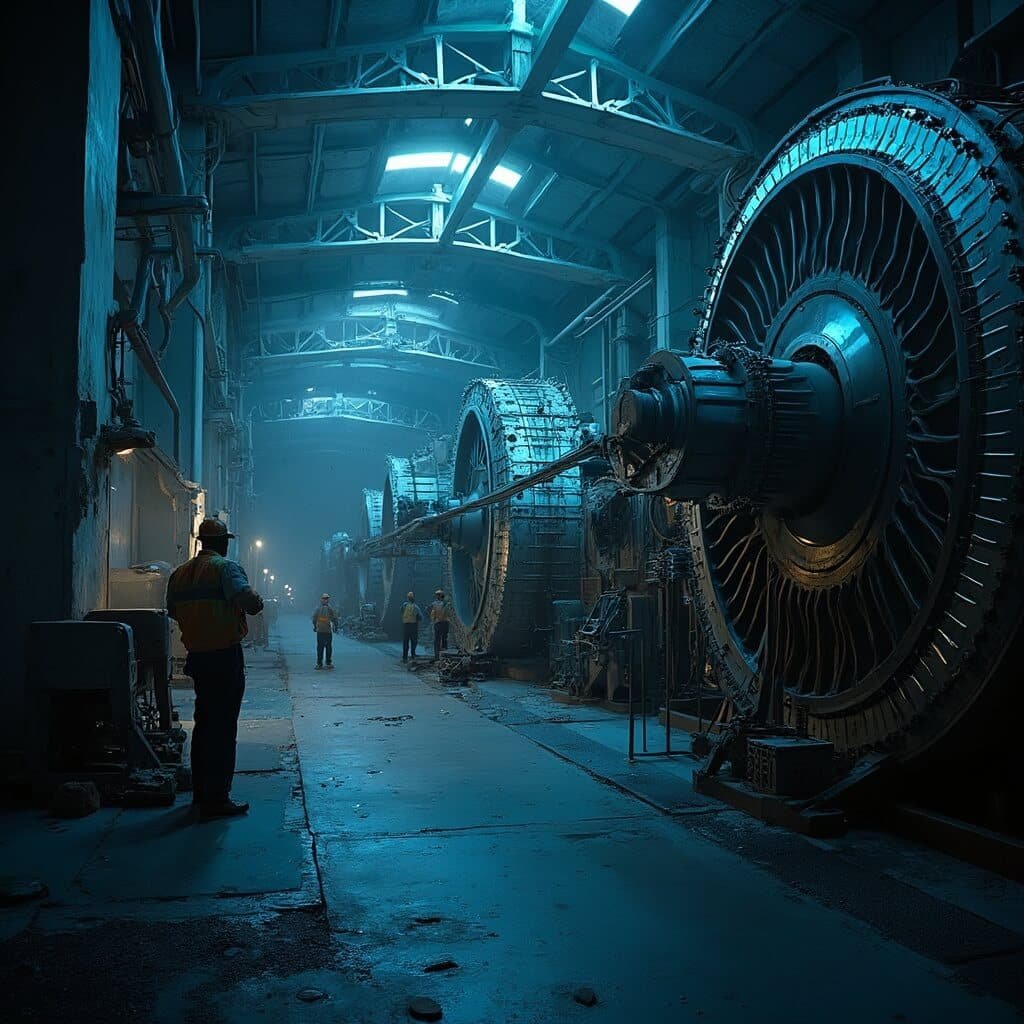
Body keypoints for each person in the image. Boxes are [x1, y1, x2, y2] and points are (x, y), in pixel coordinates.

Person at [166, 518, 263, 822]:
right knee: (223, 727)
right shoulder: (225, 568)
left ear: (200, 541)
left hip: (197, 656)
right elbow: (251, 604)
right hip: (224, 656)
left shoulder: (179, 575)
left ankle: (200, 793)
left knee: (204, 724)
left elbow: (171, 611)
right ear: (222, 543)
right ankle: (218, 797)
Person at [312, 593, 339, 670]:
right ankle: (328, 663)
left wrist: (315, 627)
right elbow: (335, 618)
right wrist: (336, 627)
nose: (325, 600)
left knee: (320, 647)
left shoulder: (318, 609)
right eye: (325, 599)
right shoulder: (330, 609)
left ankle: (319, 664)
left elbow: (314, 618)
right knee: (328, 647)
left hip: (320, 631)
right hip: (327, 631)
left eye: (326, 598)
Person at [428, 588, 450, 663]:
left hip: (438, 623)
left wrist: (432, 618)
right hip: (445, 623)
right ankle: (444, 657)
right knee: (444, 639)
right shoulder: (446, 603)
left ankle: (437, 656)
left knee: (437, 640)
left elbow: (428, 610)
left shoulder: (434, 604)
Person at [401, 591, 423, 661]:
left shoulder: (404, 605)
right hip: (413, 625)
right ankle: (413, 655)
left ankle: (405, 657)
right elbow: (420, 617)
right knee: (414, 641)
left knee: (405, 641)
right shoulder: (416, 606)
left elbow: (401, 611)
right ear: (413, 598)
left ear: (407, 598)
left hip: (406, 625)